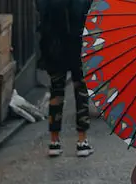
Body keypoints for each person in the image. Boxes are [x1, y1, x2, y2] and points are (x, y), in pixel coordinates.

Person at [36, 0, 93, 157]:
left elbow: (41, 11)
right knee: (81, 89)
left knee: (56, 89)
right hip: (78, 42)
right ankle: (82, 141)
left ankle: (54, 141)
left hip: (55, 44)